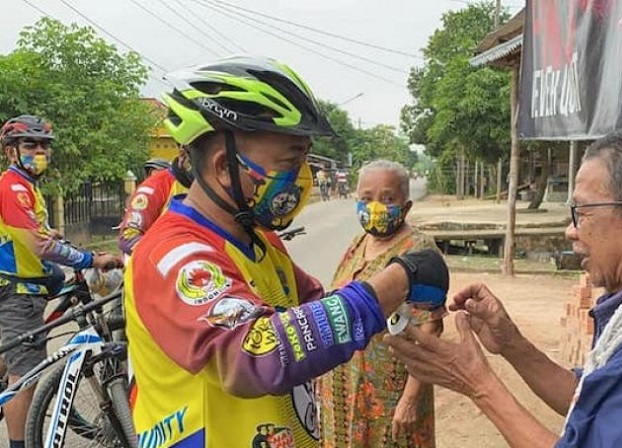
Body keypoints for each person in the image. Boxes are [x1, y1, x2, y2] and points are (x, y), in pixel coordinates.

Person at [124, 56, 450, 448]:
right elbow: (251, 356)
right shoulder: (172, 255)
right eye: (291, 161)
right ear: (225, 167)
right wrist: (397, 280)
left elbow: (317, 312)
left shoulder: (261, 242)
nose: (304, 177)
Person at [386, 124, 622, 447]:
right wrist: (512, 344)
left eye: (582, 213)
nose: (570, 231)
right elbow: (588, 402)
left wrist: (478, 383)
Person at [0, 115, 123, 448]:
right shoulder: (13, 187)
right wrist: (91, 259)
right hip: (18, 289)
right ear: (11, 152)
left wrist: (52, 235)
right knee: (24, 376)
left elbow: (33, 233)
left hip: (25, 283)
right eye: (30, 144)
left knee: (14, 351)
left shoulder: (25, 187)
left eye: (44, 145)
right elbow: (39, 246)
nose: (40, 151)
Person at [318, 160, 444, 448]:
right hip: (341, 393)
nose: (375, 206)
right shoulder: (358, 243)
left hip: (390, 398)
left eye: (388, 199)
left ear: (406, 206)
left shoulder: (419, 250)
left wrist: (409, 399)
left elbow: (431, 329)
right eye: (366, 198)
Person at [118, 148, 193, 256]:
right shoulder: (154, 187)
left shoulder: (213, 187)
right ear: (183, 156)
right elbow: (129, 237)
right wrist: (169, 256)